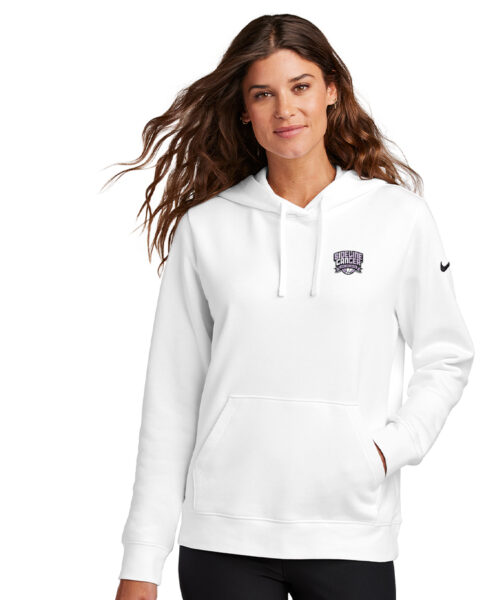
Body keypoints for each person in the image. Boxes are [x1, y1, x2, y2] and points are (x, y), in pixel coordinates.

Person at [108, 13, 475, 600]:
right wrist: (141, 560)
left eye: (300, 86)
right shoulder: (206, 228)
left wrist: (388, 450)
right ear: (244, 110)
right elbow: (171, 399)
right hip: (223, 536)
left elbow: (447, 354)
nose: (285, 110)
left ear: (332, 90)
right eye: (263, 94)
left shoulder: (398, 219)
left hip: (350, 533)